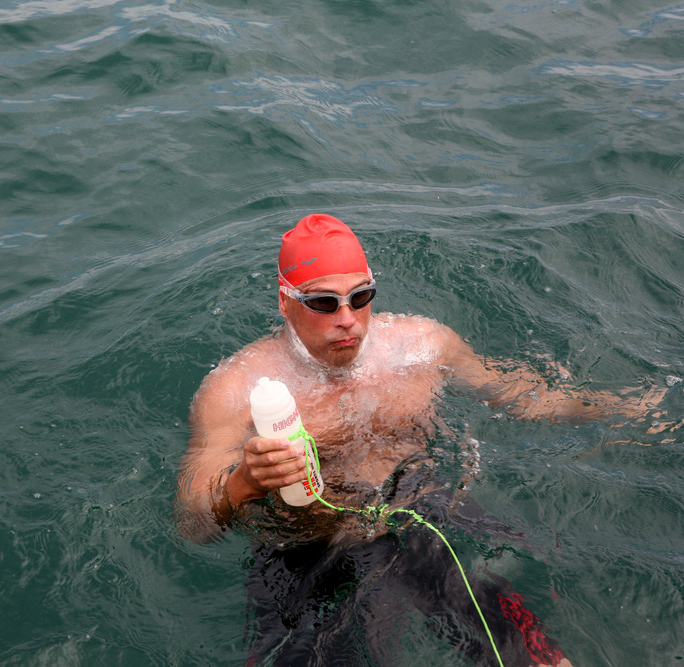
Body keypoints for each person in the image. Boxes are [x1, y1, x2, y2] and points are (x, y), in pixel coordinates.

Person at [175, 214, 661, 666]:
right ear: (285, 302)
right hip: (309, 546)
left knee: (533, 658)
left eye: (360, 297)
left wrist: (624, 409)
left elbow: (523, 396)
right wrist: (241, 483)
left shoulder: (422, 346)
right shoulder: (236, 391)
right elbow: (192, 522)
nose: (347, 318)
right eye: (324, 302)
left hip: (423, 508)